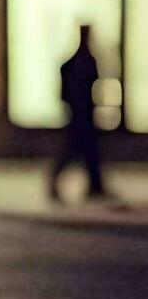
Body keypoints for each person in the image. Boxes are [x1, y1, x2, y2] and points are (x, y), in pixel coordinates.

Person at [49, 24, 108, 201]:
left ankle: (95, 186)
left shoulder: (84, 59)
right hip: (80, 116)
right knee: (75, 153)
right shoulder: (82, 60)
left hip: (82, 115)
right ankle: (93, 186)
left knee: (87, 154)